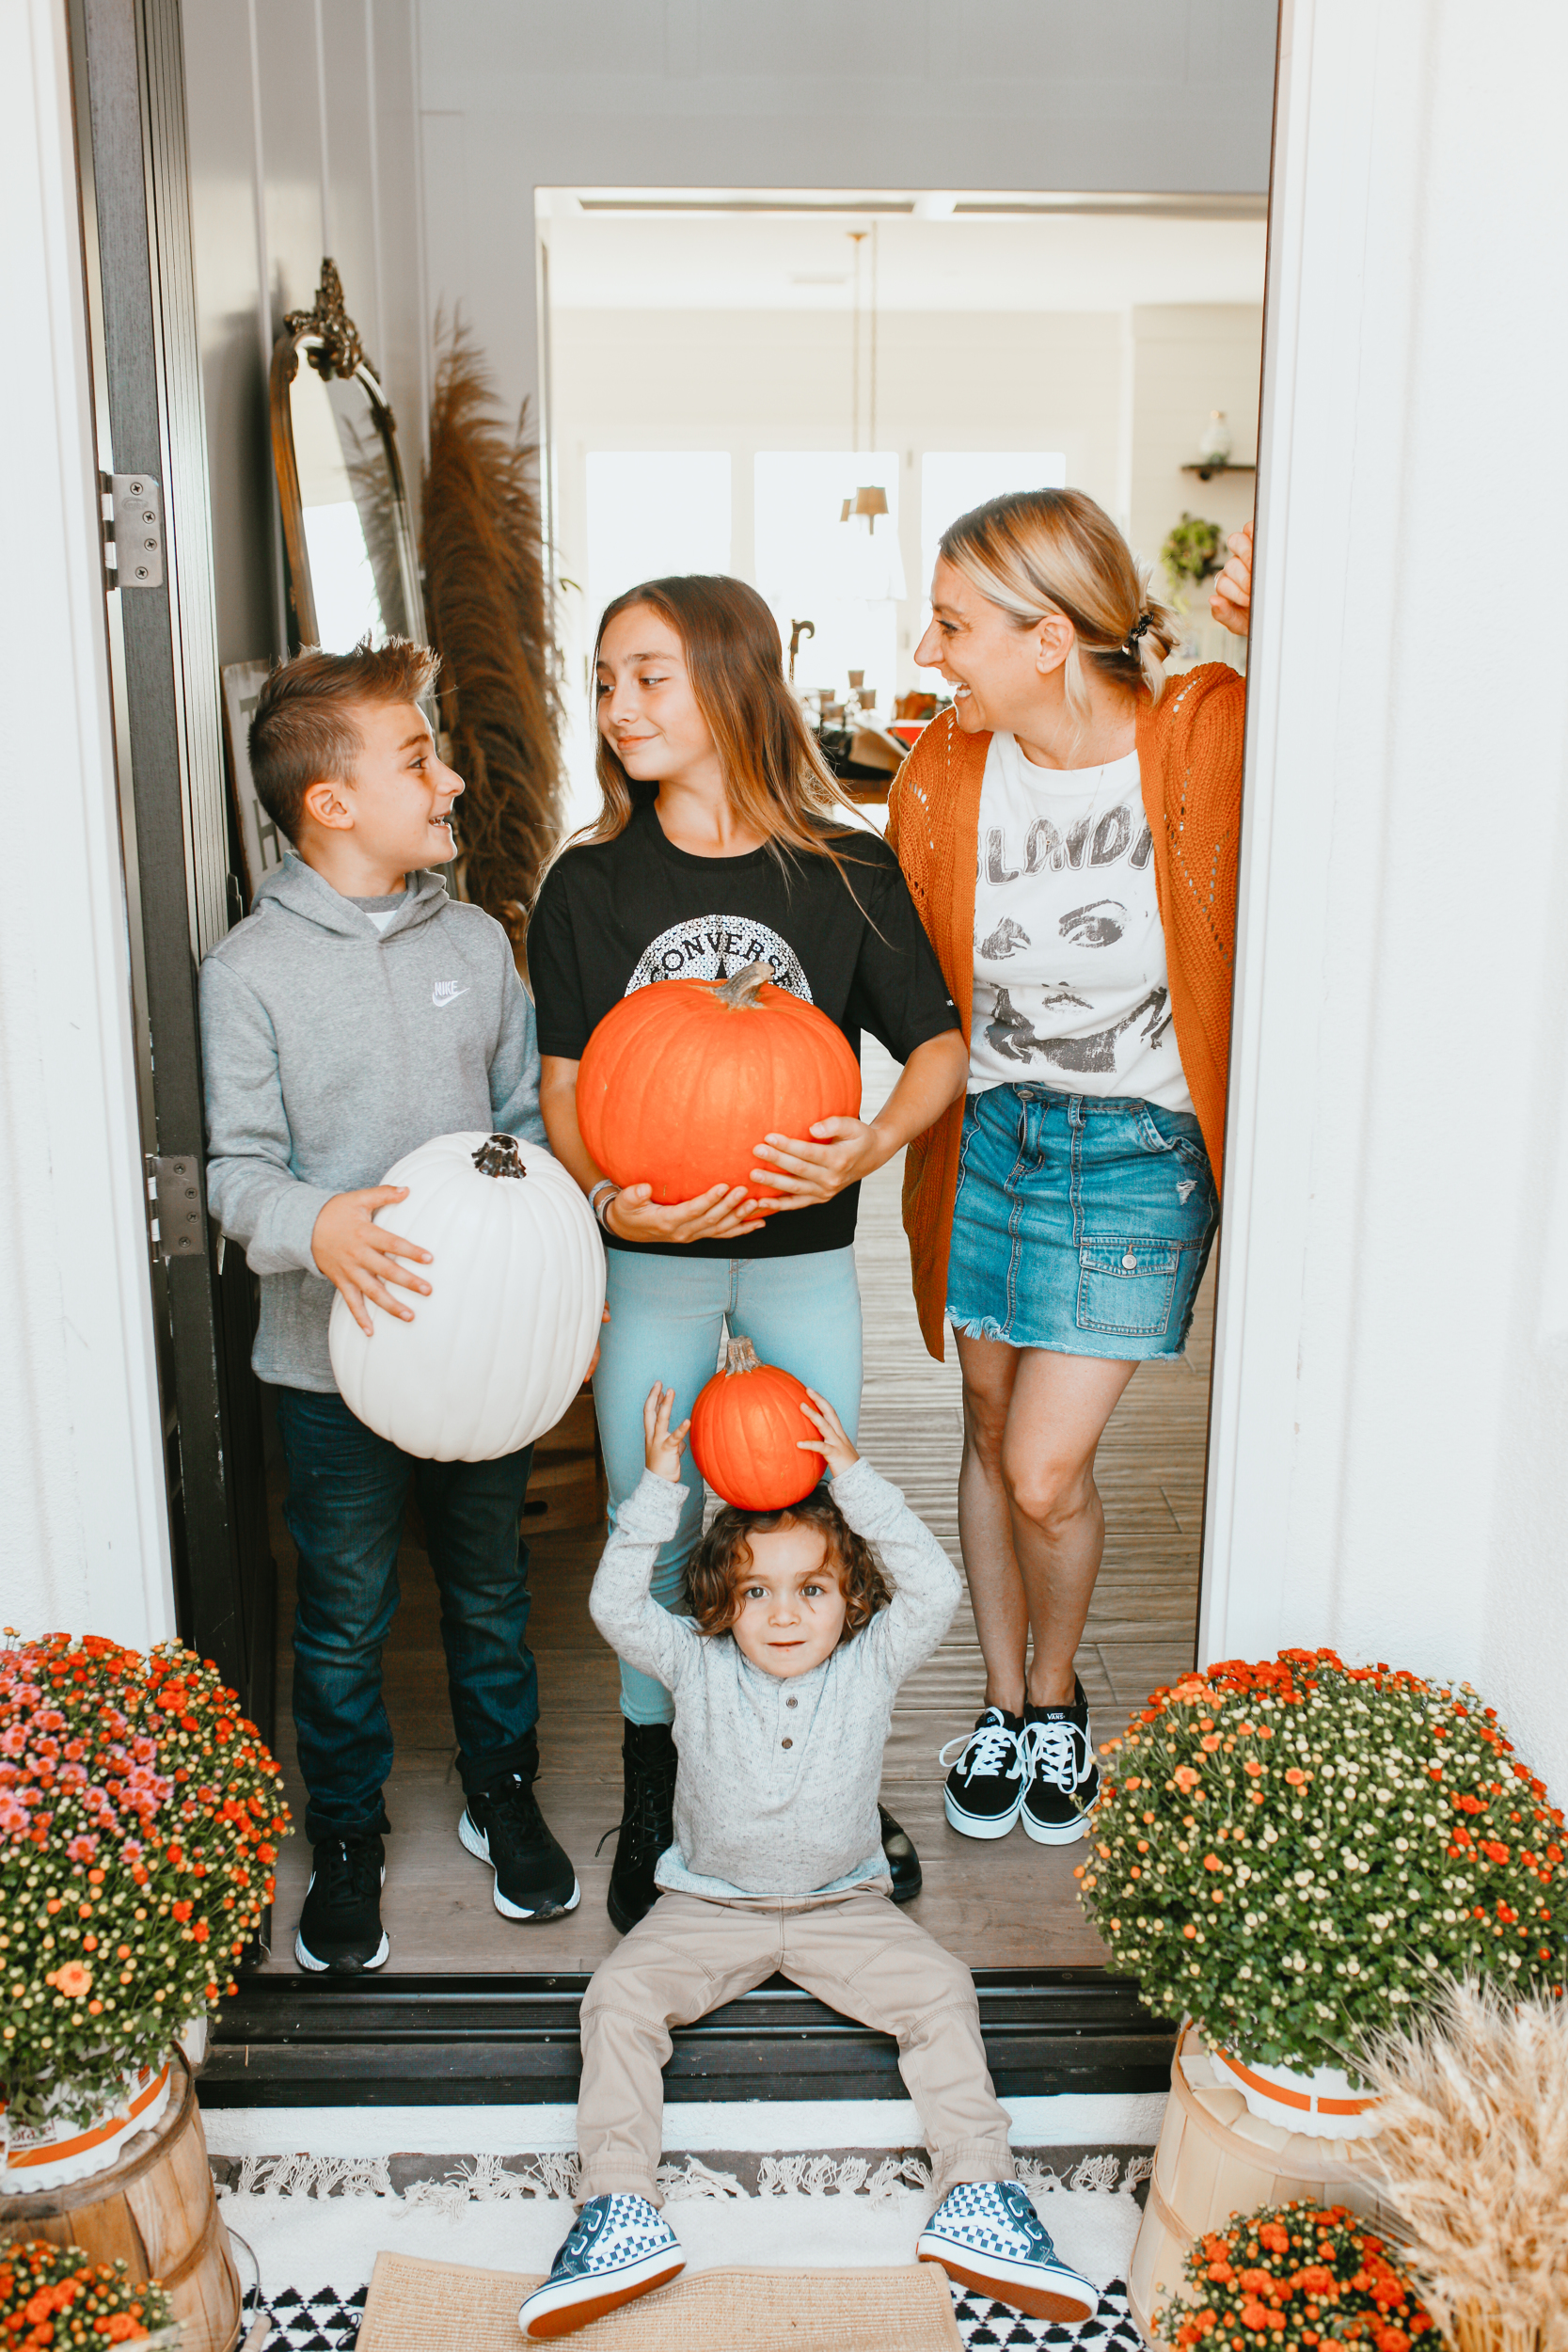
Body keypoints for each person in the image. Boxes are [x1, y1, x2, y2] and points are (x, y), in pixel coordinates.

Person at [528, 574, 968, 1931]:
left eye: (649, 675)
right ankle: (656, 1772)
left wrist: (867, 1143)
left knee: (813, 1504)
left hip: (798, 1258)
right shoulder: (590, 884)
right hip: (652, 1264)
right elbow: (559, 1085)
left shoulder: (844, 870)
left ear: (730, 680)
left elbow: (938, 1045)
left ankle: (826, 1774)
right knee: (645, 1519)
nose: (619, 706)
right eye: (604, 681)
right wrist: (612, 1201)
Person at [517, 1382, 1099, 2339]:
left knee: (942, 1991)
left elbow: (941, 1588)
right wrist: (659, 1489)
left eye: (811, 1589)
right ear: (722, 1602)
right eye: (756, 1591)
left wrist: (853, 1478)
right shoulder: (696, 1663)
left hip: (844, 1905)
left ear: (850, 1599)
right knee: (617, 2000)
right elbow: (613, 1603)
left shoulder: (870, 1659)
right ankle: (618, 2207)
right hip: (710, 1906)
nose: (785, 1616)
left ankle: (979, 2195)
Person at [199, 639, 578, 1975]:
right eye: (419, 757)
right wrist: (320, 1225)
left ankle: (501, 1792)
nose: (455, 780)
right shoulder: (247, 972)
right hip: (323, 1371)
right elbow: (233, 1172)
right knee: (345, 1611)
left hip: (479, 1368)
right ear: (332, 802)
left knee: (488, 1591)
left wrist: (558, 1292)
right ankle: (347, 1832)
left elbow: (527, 1133)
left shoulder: (475, 943)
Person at [887, 493, 1252, 1851]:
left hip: (1135, 1147)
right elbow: (892, 941)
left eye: (951, 625)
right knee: (983, 1433)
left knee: (1044, 1467)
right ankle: (1001, 1705)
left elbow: (1345, 770)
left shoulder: (1196, 737)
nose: (929, 654)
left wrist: (1280, 621)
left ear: (1049, 637)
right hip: (986, 1136)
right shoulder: (944, 767)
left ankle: (1057, 1694)